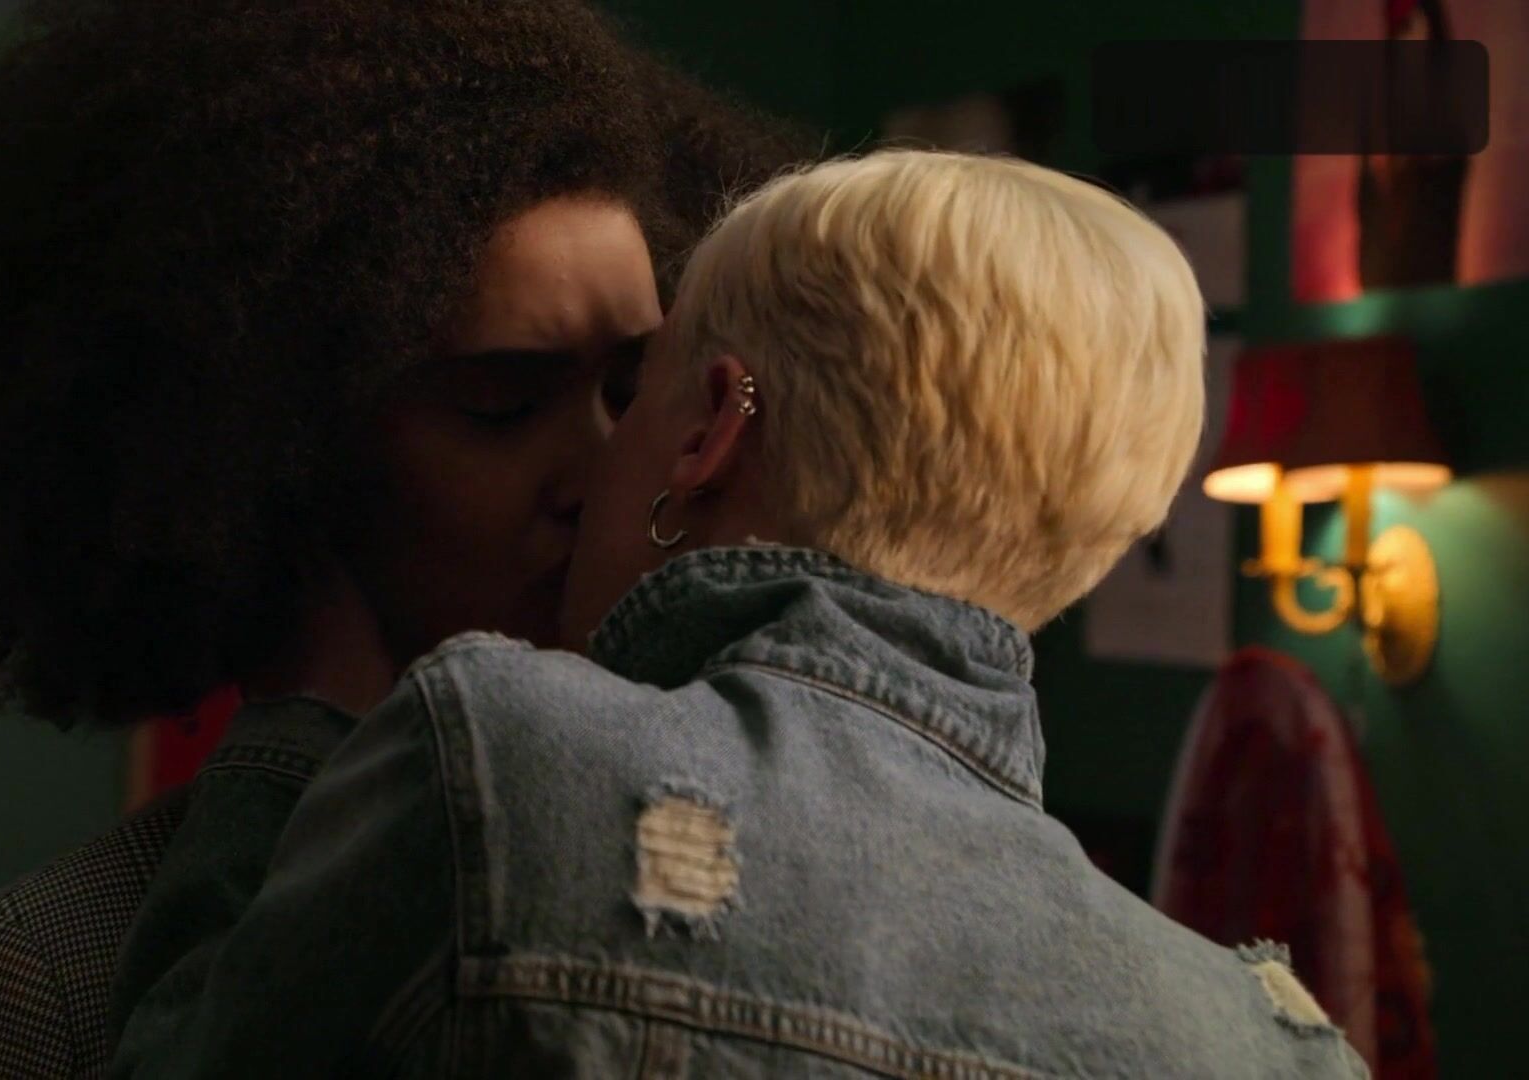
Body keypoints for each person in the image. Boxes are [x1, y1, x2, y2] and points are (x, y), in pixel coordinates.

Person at [110, 150, 1372, 1077]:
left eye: (633, 395)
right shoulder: (1275, 1047)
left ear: (714, 426)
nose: (588, 463)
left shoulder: (493, 761)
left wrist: (297, 720)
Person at [0, 1, 808, 1075]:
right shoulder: (59, 972)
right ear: (283, 449)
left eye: (632, 390)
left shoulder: (768, 874)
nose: (605, 472)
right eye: (502, 407)